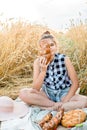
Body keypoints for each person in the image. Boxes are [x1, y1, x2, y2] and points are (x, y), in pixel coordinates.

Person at [19, 31, 87, 111]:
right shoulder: (37, 62)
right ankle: (55, 106)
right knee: (23, 93)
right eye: (45, 46)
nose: (49, 48)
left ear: (56, 46)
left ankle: (50, 108)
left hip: (64, 94)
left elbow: (75, 83)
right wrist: (43, 71)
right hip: (47, 95)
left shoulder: (65, 59)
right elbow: (35, 88)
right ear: (41, 48)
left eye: (52, 45)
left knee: (85, 101)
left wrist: (64, 101)